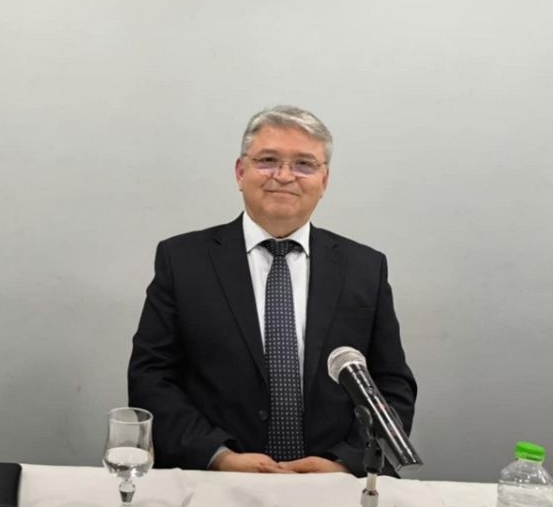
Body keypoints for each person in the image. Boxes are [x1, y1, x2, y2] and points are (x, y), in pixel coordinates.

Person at [127, 105, 416, 476]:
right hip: (214, 479)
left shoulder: (364, 267)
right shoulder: (182, 260)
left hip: (332, 484)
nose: (284, 176)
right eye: (267, 160)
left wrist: (345, 463)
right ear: (240, 171)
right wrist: (218, 456)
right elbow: (151, 376)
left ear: (324, 180)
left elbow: (391, 385)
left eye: (304, 164)